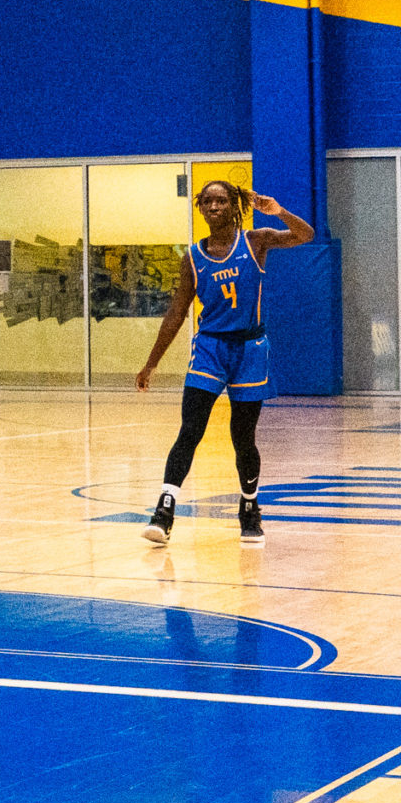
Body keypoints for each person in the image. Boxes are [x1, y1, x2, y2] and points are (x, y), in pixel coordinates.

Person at [137, 182, 312, 545]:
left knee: (243, 438)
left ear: (233, 206)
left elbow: (305, 234)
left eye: (221, 200)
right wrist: (152, 362)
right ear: (199, 207)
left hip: (250, 350)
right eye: (208, 201)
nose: (214, 206)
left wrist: (277, 211)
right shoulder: (193, 257)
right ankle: (164, 510)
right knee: (190, 430)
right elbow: (176, 312)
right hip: (211, 349)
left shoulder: (256, 240)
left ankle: (249, 508)